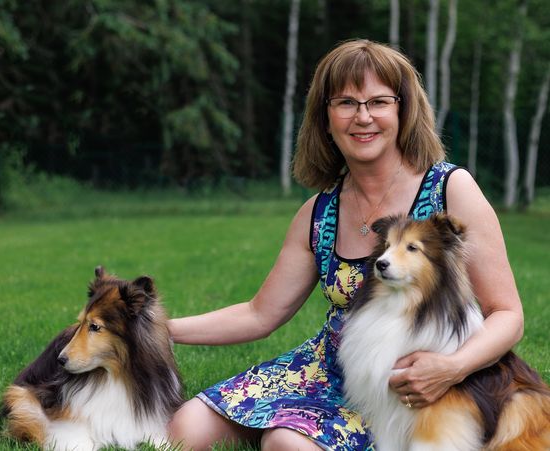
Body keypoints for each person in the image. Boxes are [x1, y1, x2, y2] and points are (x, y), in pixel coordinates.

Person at [167, 39, 524, 451]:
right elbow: (258, 314)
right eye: (346, 103)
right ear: (326, 117)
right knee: (184, 429)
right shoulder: (318, 213)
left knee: (285, 444)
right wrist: (161, 329)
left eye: (378, 102)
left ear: (402, 111)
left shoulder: (448, 189)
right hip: (327, 366)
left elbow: (508, 313)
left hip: (404, 381)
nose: (363, 117)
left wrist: (451, 368)